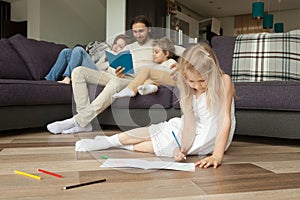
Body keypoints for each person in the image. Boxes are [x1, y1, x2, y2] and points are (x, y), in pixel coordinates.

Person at [75, 42, 236, 168]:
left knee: (161, 145)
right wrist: (183, 149)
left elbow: (225, 119)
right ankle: (109, 141)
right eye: (191, 81)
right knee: (162, 129)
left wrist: (217, 155)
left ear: (212, 72)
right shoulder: (188, 86)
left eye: (202, 81)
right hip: (193, 128)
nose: (197, 86)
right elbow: (189, 122)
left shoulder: (224, 81)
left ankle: (119, 145)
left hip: (214, 136)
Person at [46, 15, 155, 134]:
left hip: (134, 80)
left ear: (149, 29)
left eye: (141, 31)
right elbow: (115, 65)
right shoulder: (129, 47)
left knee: (116, 82)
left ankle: (79, 120)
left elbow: (172, 54)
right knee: (78, 71)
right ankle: (85, 123)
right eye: (135, 32)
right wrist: (117, 70)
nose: (138, 35)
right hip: (117, 75)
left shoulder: (156, 46)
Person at [45, 34, 132, 84]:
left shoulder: (122, 60)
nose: (116, 47)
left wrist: (109, 61)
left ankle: (67, 77)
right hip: (94, 69)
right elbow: (97, 66)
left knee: (79, 50)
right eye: (115, 44)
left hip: (98, 76)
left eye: (120, 46)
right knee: (66, 52)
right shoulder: (107, 54)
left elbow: (100, 71)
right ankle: (49, 79)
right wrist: (104, 58)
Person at [113, 37, 177, 98]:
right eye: (153, 52)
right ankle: (151, 88)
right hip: (159, 81)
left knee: (146, 71)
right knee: (147, 81)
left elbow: (175, 73)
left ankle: (129, 89)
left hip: (173, 80)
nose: (153, 54)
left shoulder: (170, 62)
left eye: (156, 52)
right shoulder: (156, 65)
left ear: (166, 54)